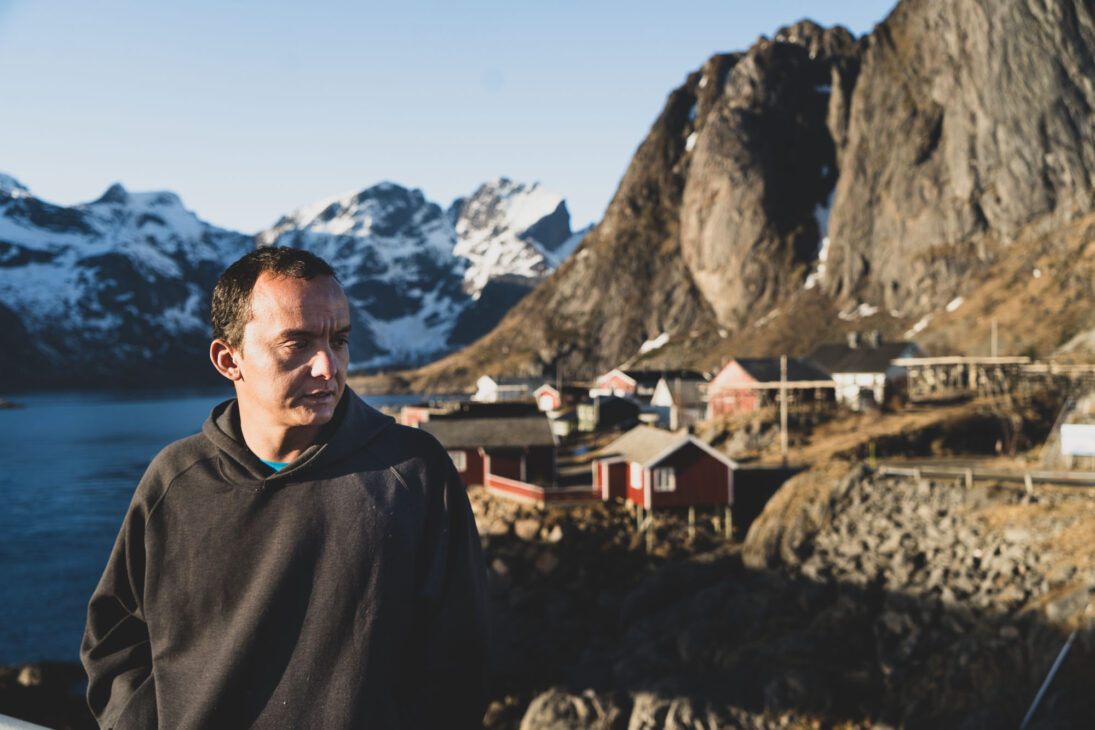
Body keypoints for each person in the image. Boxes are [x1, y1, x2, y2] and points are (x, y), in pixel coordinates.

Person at [81, 246, 488, 729]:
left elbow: (461, 662)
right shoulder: (174, 479)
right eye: (296, 344)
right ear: (229, 359)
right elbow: (116, 642)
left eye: (339, 341)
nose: (328, 368)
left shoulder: (413, 473)